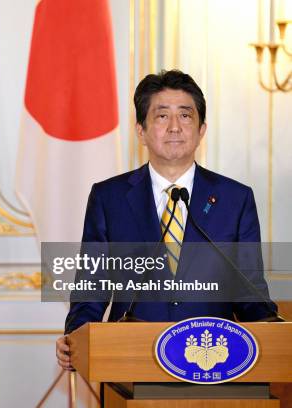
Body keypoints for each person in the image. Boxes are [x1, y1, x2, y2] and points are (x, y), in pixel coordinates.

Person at [56, 69, 277, 371]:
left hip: (215, 367)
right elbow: (90, 289)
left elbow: (250, 293)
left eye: (186, 116)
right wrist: (75, 338)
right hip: (130, 365)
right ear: (141, 131)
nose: (175, 127)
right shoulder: (109, 198)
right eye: (161, 116)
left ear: (201, 130)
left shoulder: (235, 200)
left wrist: (275, 330)